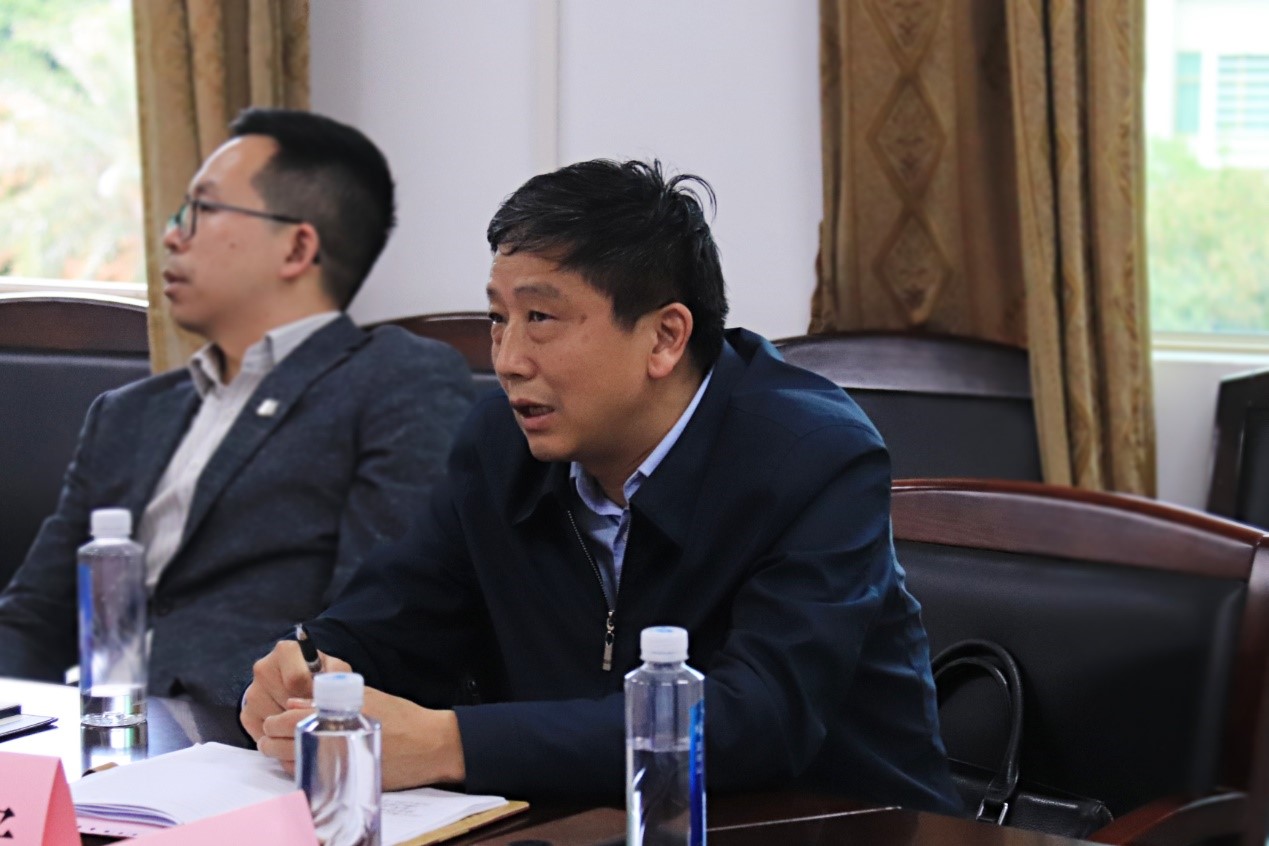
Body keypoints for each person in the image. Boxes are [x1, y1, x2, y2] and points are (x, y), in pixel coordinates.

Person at [243, 159, 960, 813]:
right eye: (497, 319)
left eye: (540, 318)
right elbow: (397, 619)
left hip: (833, 825)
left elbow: (759, 718)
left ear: (664, 337)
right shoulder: (500, 444)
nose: (507, 360)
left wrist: (449, 743)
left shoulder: (814, 456)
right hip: (589, 824)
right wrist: (313, 668)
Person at [0, 108, 475, 707]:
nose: (172, 236)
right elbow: (34, 617)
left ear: (296, 247)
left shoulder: (395, 380)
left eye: (200, 210)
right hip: (101, 726)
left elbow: (377, 628)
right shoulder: (128, 412)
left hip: (251, 735)